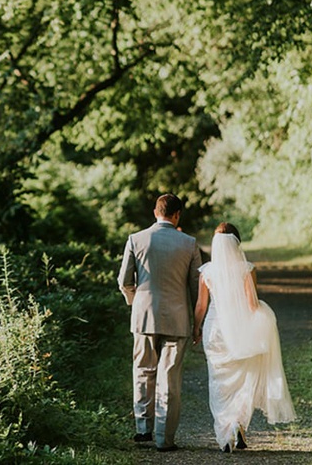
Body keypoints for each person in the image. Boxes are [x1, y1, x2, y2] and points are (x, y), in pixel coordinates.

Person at [193, 222, 296, 453]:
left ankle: (225, 432)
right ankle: (237, 425)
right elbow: (251, 304)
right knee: (242, 381)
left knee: (219, 382)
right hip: (239, 330)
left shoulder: (207, 271)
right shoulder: (247, 269)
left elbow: (201, 305)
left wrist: (195, 328)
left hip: (215, 330)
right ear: (237, 243)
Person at [118, 194, 202, 452]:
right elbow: (196, 288)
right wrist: (197, 323)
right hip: (177, 318)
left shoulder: (136, 239)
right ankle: (164, 439)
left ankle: (143, 428)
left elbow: (124, 281)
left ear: (155, 212)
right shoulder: (189, 244)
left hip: (143, 315)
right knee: (170, 377)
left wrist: (136, 301)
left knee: (143, 370)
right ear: (177, 215)